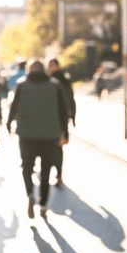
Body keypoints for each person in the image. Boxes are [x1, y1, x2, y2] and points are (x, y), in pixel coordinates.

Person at [7, 60, 69, 219]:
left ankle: (30, 194)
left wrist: (9, 123)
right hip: (50, 135)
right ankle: (43, 203)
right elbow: (63, 111)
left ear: (29, 71)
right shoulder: (54, 85)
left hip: (26, 135)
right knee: (46, 170)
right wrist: (65, 132)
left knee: (27, 167)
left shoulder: (21, 85)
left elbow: (13, 106)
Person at [47, 58, 76, 187]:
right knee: (57, 147)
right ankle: (58, 173)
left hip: (56, 117)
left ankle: (58, 174)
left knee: (55, 147)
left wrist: (73, 115)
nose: (50, 68)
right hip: (60, 117)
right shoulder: (62, 79)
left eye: (51, 65)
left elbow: (70, 98)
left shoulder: (53, 81)